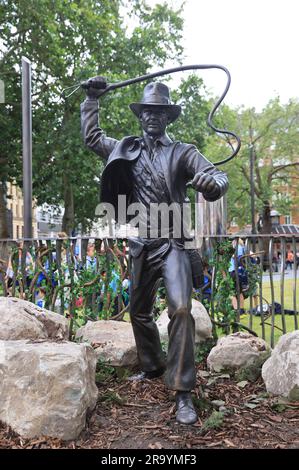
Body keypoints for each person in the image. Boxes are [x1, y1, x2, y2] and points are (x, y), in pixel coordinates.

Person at [81, 78, 228, 425]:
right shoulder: (125, 149)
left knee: (179, 309)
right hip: (141, 243)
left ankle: (183, 393)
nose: (152, 117)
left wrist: (213, 185)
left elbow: (214, 174)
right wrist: (91, 101)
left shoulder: (182, 152)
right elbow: (92, 138)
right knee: (138, 311)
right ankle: (152, 366)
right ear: (140, 115)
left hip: (173, 243)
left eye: (159, 112)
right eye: (147, 111)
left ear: (168, 118)